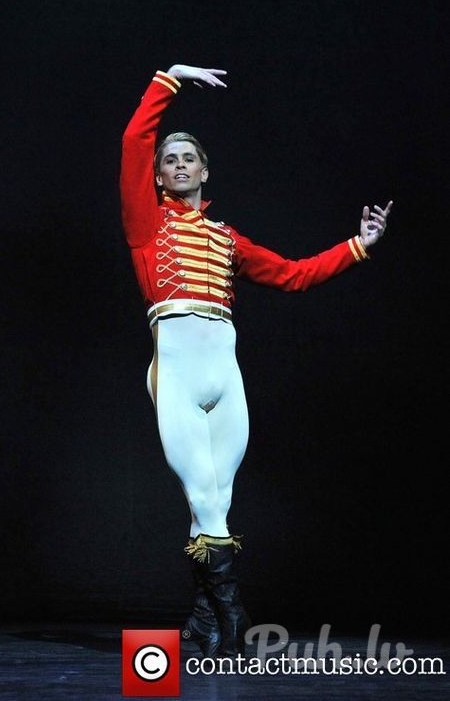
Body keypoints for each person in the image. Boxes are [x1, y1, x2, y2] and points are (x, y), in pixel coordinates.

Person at [119, 64, 392, 659]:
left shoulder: (227, 239)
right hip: (177, 373)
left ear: (205, 171)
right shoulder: (147, 223)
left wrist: (358, 247)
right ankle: (234, 612)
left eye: (189, 158)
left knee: (218, 501)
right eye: (170, 160)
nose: (179, 165)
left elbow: (293, 275)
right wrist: (170, 79)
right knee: (204, 497)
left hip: (226, 372)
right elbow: (135, 139)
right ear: (158, 176)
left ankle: (201, 622)